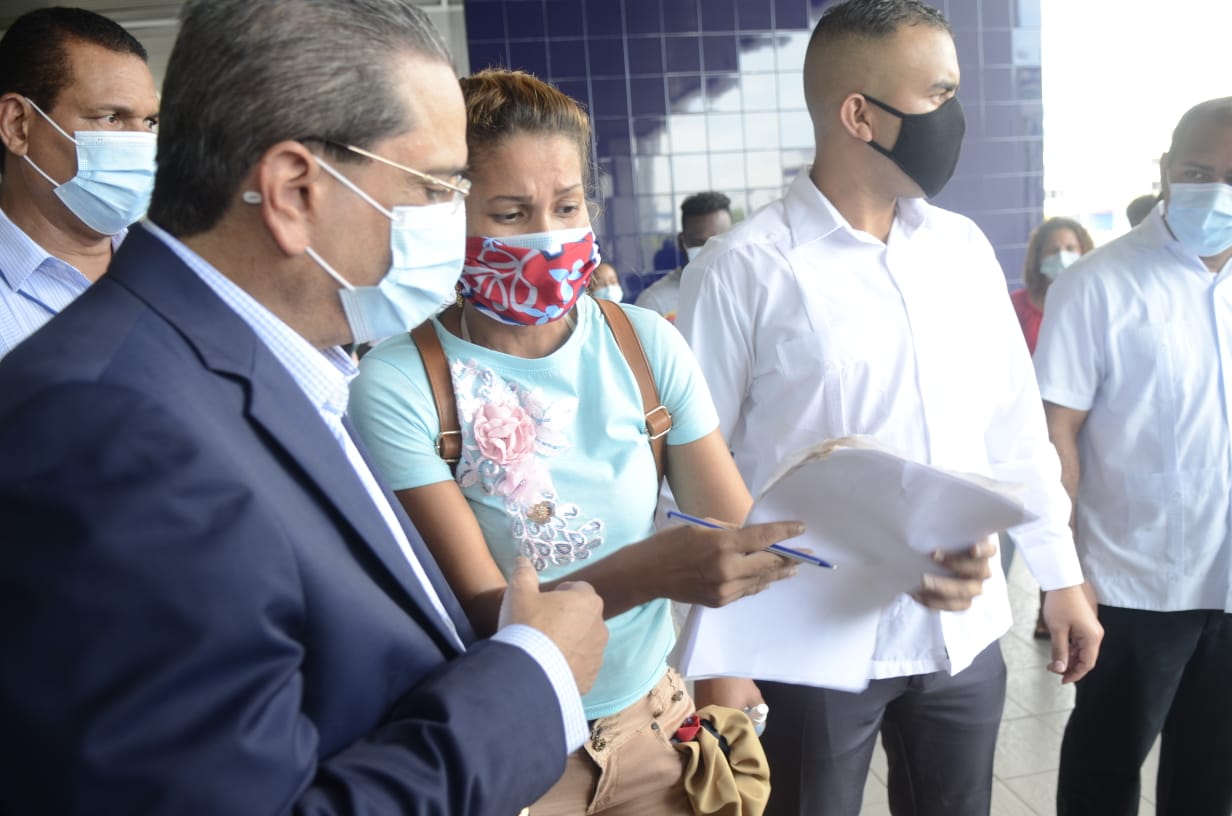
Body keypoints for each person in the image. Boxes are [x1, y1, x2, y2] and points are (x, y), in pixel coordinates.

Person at [0, 3, 612, 814]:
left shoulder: (282, 367)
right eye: (435, 186)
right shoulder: (111, 432)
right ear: (294, 191)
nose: (452, 220)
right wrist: (532, 678)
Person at [675, 2, 1104, 814]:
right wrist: (718, 656)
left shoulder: (962, 250)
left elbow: (1015, 432)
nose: (955, 116)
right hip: (809, 643)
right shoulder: (744, 271)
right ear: (859, 115)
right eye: (939, 94)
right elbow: (694, 476)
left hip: (963, 635)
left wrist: (1061, 577)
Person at [347, 68, 809, 816]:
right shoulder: (402, 384)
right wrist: (649, 572)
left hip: (654, 730)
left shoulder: (645, 345)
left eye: (566, 207)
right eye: (510, 213)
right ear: (447, 217)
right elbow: (487, 613)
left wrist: (893, 554)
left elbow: (739, 534)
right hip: (516, 751)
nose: (547, 236)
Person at [1038, 97, 1232, 816]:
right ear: (1166, 170)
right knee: (1105, 768)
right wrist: (1065, 573)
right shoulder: (1097, 285)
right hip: (1132, 584)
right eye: (1199, 172)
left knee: (1213, 779)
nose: (1217, 192)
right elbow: (1057, 434)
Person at [0, 7, 159, 359]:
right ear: (17, 125)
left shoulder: (171, 270)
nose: (142, 143)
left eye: (150, 122)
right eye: (112, 117)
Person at [1003, 216, 1095, 633]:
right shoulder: (1017, 306)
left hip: (1073, 432)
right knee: (1022, 524)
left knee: (1064, 523)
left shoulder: (1087, 303)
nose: (1063, 257)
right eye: (1053, 250)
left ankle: (1054, 607)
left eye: (1070, 248)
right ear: (1037, 258)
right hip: (1022, 432)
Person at [637, 191, 733, 322]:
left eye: (721, 241)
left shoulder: (748, 289)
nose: (712, 250)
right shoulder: (655, 303)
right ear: (682, 242)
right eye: (701, 243)